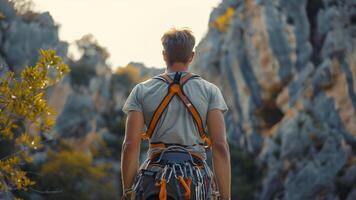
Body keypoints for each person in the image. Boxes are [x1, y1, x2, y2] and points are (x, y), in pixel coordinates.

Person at [121, 27, 231, 200]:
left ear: (164, 55)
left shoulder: (141, 91)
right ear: (191, 56)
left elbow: (130, 144)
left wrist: (128, 192)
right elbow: (220, 146)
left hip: (155, 180)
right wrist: (225, 197)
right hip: (196, 181)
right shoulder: (210, 91)